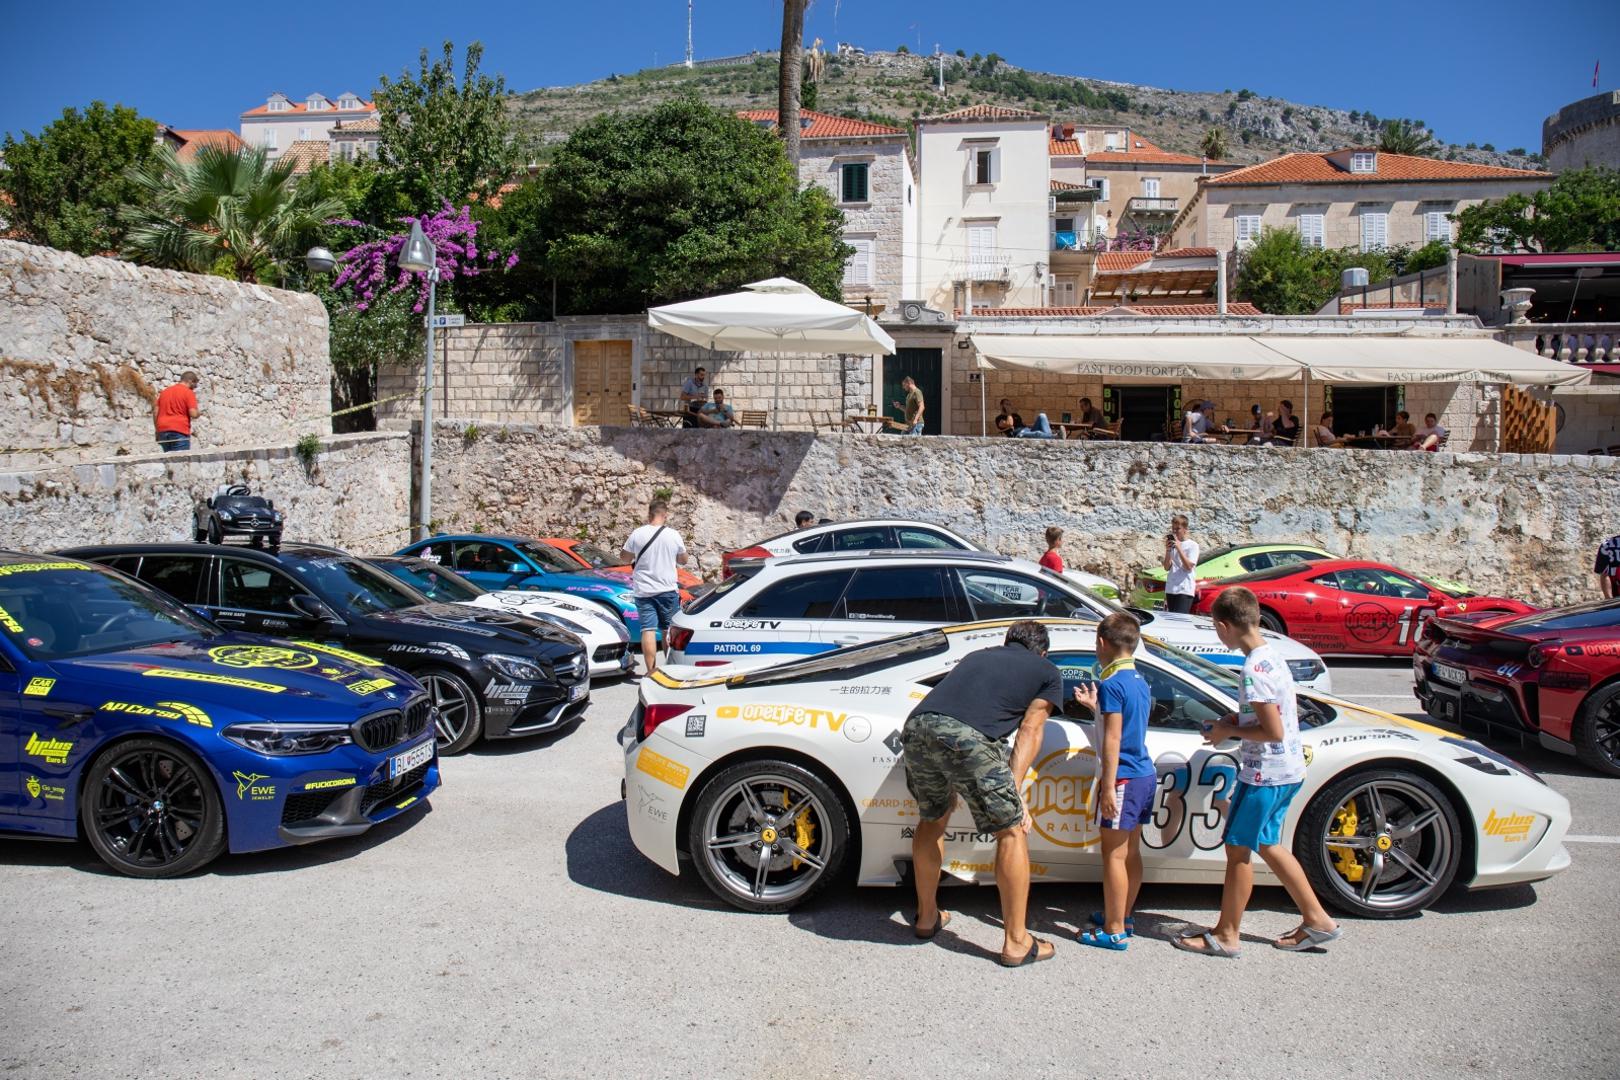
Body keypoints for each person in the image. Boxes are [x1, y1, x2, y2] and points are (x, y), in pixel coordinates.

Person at [1175, 586, 1341, 958]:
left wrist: (1226, 731)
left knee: (1238, 851)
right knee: (1267, 843)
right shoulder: (1271, 657)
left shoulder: (1253, 670)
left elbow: (1272, 730)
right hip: (1286, 769)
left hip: (1265, 772)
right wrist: (1236, 719)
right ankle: (1318, 921)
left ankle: (1228, 935)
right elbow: (1273, 716)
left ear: (1224, 625)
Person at [902, 620, 1063, 966]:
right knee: (1011, 829)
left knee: (932, 819)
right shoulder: (1047, 670)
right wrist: (1015, 791)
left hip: (918, 726)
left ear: (1007, 642)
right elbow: (1031, 730)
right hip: (967, 738)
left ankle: (927, 917)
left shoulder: (978, 655)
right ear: (1043, 651)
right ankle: (1018, 942)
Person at [1070, 612, 1154, 950]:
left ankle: (1115, 929)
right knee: (1131, 852)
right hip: (1144, 774)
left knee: (1113, 857)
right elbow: (1126, 724)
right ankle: (1123, 914)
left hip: (1123, 777)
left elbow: (1114, 739)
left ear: (1103, 643)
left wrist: (1107, 785)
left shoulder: (1112, 685)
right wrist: (1096, 708)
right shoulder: (1137, 680)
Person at [617, 499, 689, 677]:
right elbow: (683, 560)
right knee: (667, 630)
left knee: (647, 630)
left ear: (649, 514)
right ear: (665, 515)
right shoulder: (673, 535)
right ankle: (670, 670)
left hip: (644, 590)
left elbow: (624, 558)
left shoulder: (637, 534)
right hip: (667, 589)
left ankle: (650, 672)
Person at [154, 371, 200, 452]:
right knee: (180, 462)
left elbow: (155, 412)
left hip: (163, 430)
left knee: (168, 461)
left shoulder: (165, 392)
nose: (195, 387)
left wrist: (157, 431)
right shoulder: (188, 392)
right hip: (179, 430)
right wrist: (198, 413)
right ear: (190, 381)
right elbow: (193, 413)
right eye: (194, 384)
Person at [1162, 514, 1199, 614]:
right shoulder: (1174, 544)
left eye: (1178, 529)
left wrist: (1179, 548)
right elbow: (1166, 567)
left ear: (1185, 529)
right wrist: (1168, 550)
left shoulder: (1193, 545)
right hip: (1171, 588)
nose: (1175, 532)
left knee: (1179, 620)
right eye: (1173, 529)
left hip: (1184, 589)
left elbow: (1188, 567)